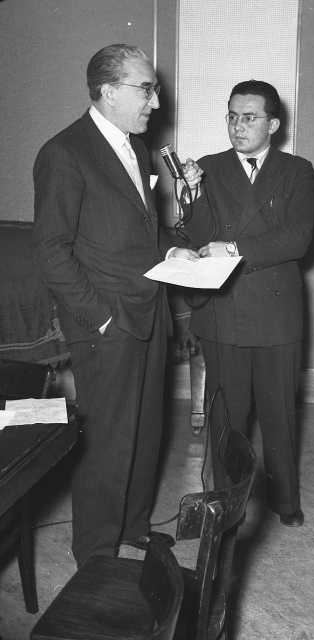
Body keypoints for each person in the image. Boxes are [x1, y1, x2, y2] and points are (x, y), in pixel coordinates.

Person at [32, 44, 197, 566]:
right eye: (146, 89)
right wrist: (100, 319)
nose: (156, 101)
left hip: (149, 312)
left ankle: (134, 527)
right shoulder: (64, 152)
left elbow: (137, 232)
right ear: (108, 91)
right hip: (106, 324)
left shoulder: (136, 148)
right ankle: (97, 554)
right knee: (106, 442)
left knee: (146, 430)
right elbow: (51, 252)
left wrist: (170, 250)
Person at [179, 80, 314, 527]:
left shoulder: (297, 171)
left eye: (250, 118)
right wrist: (192, 195)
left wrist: (236, 248)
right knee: (226, 415)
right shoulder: (208, 168)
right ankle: (224, 502)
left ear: (273, 124)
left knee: (279, 413)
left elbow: (298, 237)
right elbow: (200, 237)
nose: (238, 126)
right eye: (232, 116)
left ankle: (285, 501)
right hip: (225, 308)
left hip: (276, 312)